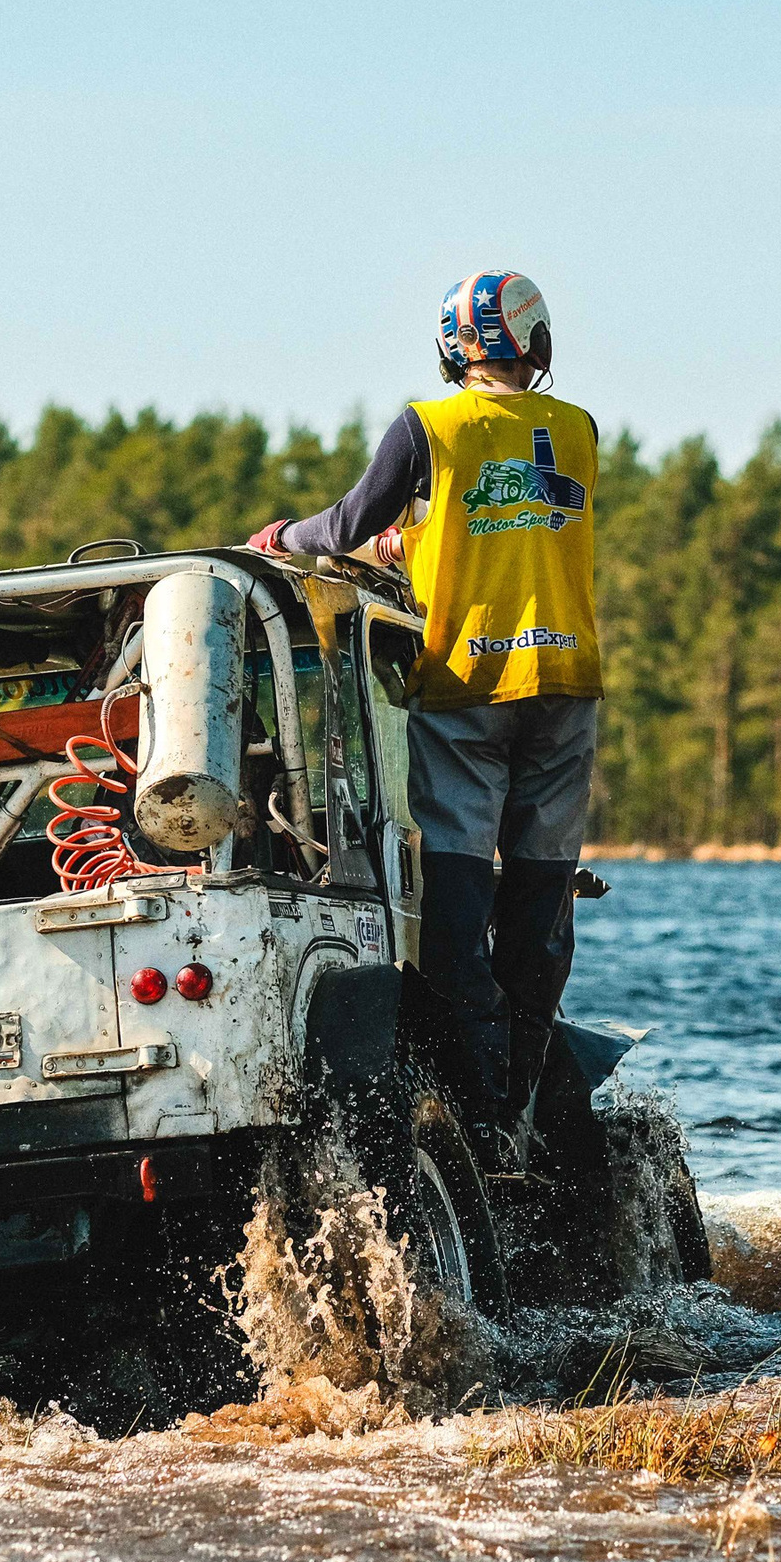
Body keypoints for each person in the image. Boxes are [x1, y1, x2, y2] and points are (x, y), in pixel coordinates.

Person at [246, 271, 602, 1159]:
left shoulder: (428, 427)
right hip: (565, 683)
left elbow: (346, 524)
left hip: (466, 687)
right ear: (538, 343)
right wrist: (416, 542)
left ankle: (480, 1103)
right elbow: (508, 519)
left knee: (454, 885)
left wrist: (282, 539)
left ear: (453, 349)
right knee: (541, 886)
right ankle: (522, 1083)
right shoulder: (578, 431)